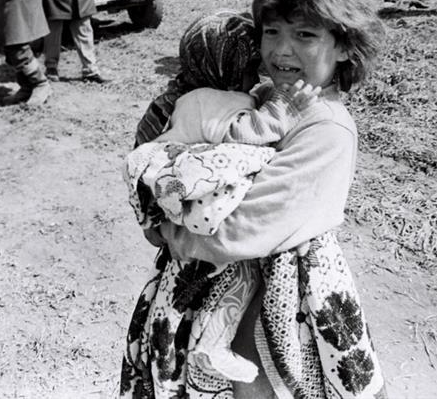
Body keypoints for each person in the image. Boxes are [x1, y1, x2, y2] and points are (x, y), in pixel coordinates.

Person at [120, 0, 386, 399]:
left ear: (344, 45)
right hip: (216, 283)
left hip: (273, 300)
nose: (281, 50)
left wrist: (167, 230)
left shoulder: (327, 130)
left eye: (305, 34)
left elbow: (241, 227)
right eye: (271, 31)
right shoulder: (263, 99)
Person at [125, 74, 321, 383]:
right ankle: (215, 342)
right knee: (244, 269)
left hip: (171, 195)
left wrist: (154, 219)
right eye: (248, 67)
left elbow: (144, 141)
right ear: (226, 66)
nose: (254, 76)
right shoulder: (223, 98)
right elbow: (240, 134)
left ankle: (198, 346)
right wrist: (285, 111)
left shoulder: (173, 98)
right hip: (203, 201)